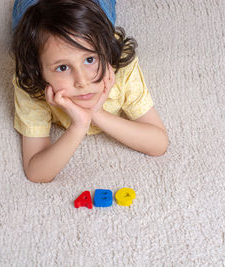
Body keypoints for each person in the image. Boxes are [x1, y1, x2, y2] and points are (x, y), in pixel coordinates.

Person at [11, 0, 169, 183]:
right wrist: (79, 126)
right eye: (62, 67)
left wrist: (96, 112)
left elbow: (158, 143)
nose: (82, 81)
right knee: (22, 31)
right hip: (37, 6)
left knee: (102, 16)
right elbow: (37, 172)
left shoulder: (120, 67)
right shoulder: (30, 82)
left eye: (90, 60)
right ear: (38, 71)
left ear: (107, 51)